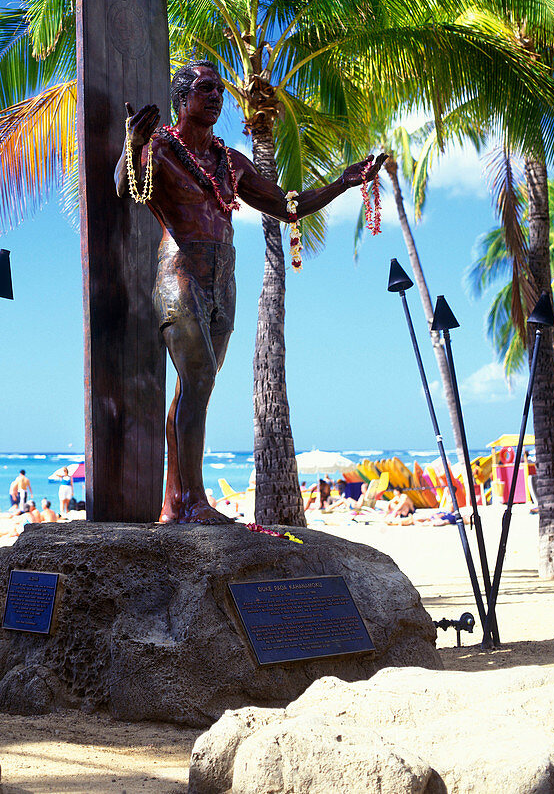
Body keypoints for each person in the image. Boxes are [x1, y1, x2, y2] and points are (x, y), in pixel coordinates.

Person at [116, 62, 385, 524]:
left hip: (223, 280)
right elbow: (125, 187)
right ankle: (193, 502)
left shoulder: (229, 161)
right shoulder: (159, 148)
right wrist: (134, 144)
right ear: (182, 98)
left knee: (195, 388)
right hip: (179, 274)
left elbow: (286, 206)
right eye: (206, 89)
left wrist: (343, 182)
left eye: (221, 89)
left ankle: (173, 503)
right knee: (197, 381)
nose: (218, 96)